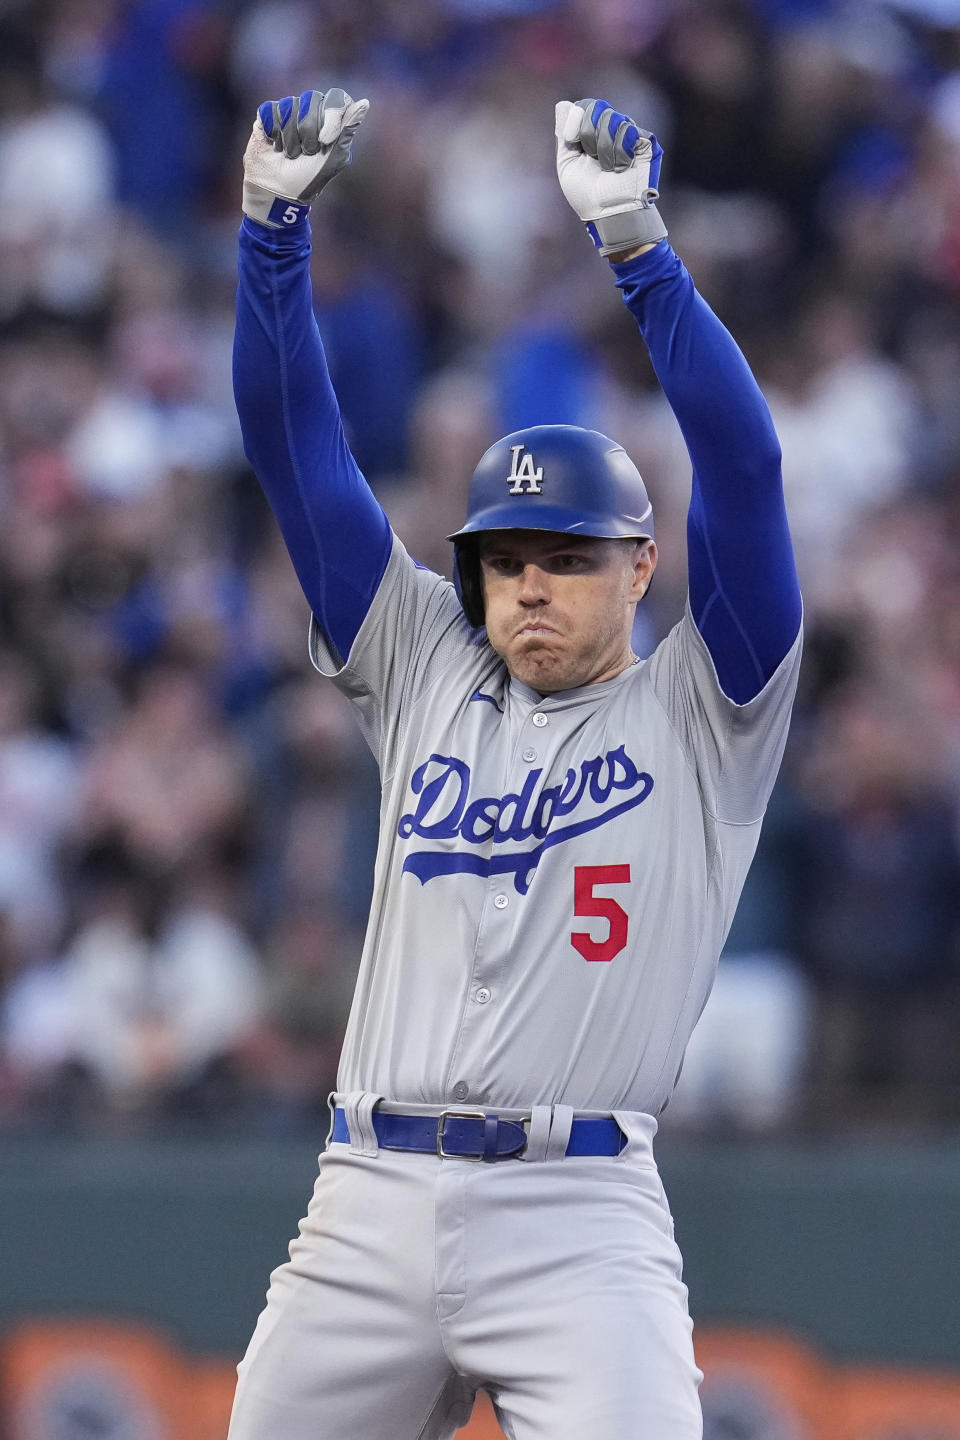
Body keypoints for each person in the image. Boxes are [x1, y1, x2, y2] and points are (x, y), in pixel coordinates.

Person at [229, 88, 802, 1440]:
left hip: (579, 1212)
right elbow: (296, 454)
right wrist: (267, 237)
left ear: (640, 565)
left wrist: (643, 257)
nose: (529, 586)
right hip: (365, 1190)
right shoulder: (423, 656)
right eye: (503, 560)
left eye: (568, 558)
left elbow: (747, 464)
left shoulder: (706, 701)